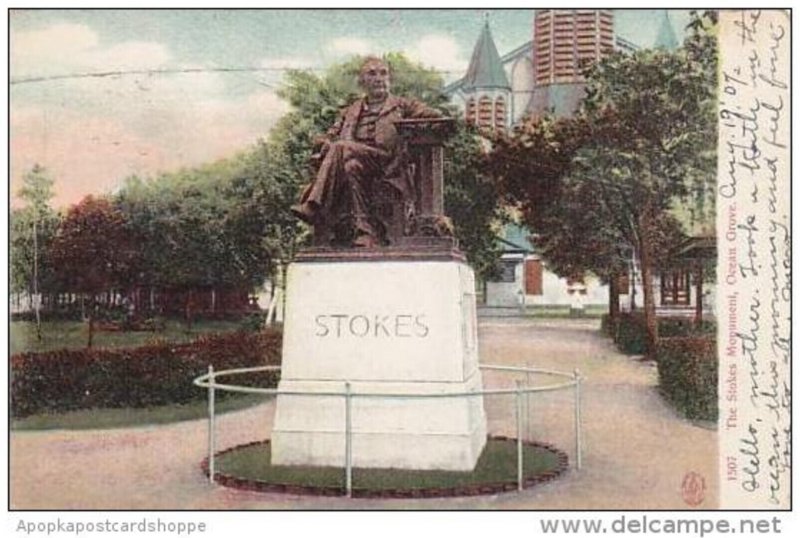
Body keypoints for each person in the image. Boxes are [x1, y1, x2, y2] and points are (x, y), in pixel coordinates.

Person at [291, 57, 441, 247]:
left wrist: (417, 128)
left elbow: (435, 116)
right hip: (356, 162)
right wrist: (322, 142)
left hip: (387, 163)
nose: (379, 78)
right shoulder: (351, 110)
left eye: (383, 73)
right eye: (372, 74)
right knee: (350, 165)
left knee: (341, 147)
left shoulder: (402, 105)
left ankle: (313, 205)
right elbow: (331, 135)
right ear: (362, 81)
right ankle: (366, 233)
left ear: (389, 79)